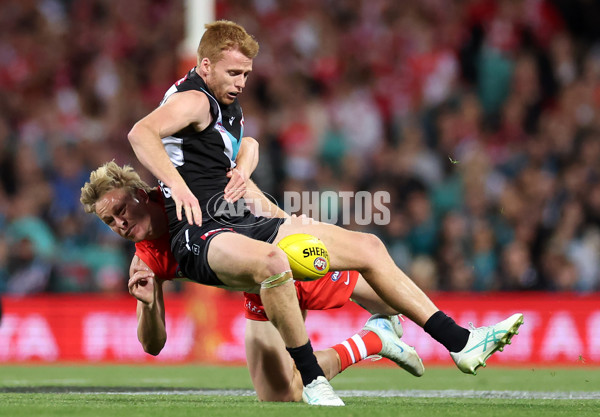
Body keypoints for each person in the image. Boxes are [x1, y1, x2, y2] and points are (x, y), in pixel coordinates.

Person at [126, 20, 523, 405]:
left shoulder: (224, 106)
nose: (241, 82)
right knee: (274, 264)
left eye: (246, 73)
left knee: (368, 247)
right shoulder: (193, 98)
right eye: (233, 73)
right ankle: (319, 379)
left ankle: (461, 342)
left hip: (242, 223)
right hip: (202, 234)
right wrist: (177, 186)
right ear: (206, 65)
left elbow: (244, 148)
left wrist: (252, 173)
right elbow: (140, 133)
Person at [80, 160, 425, 403]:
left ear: (139, 194)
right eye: (110, 221)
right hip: (260, 287)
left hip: (287, 261)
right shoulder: (145, 261)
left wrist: (288, 223)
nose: (120, 224)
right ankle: (372, 342)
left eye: (121, 210)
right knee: (280, 396)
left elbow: (246, 153)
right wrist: (148, 302)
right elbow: (152, 345)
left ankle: (444, 332)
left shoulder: (181, 193)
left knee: (394, 302)